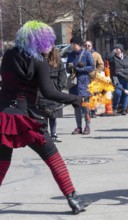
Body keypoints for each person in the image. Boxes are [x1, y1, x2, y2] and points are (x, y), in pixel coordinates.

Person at [0, 20, 88, 214]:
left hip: (3, 116)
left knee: (1, 162)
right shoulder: (40, 63)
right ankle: (73, 199)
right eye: (47, 42)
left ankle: (73, 198)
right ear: (38, 42)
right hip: (25, 118)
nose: (50, 47)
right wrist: (75, 99)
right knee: (53, 158)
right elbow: (49, 92)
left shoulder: (7, 56)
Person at [37, 47, 67, 142]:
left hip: (54, 89)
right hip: (41, 90)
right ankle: (45, 133)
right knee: (43, 113)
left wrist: (58, 87)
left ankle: (53, 133)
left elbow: (63, 74)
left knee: (53, 113)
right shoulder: (38, 59)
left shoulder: (57, 60)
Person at [67, 36, 95, 134]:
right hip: (74, 84)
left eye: (74, 44)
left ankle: (87, 126)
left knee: (86, 106)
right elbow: (67, 68)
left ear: (79, 44)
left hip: (84, 83)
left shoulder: (86, 54)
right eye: (72, 45)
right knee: (76, 107)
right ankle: (78, 127)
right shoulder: (70, 55)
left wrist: (80, 69)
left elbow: (92, 67)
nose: (73, 46)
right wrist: (70, 68)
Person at [109, 43, 128, 115]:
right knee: (118, 93)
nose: (116, 49)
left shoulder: (127, 58)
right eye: (115, 48)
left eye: (117, 48)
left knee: (126, 94)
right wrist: (112, 52)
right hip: (117, 78)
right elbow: (107, 58)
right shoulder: (113, 58)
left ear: (121, 49)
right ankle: (115, 107)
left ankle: (124, 109)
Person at [84, 40, 104, 118]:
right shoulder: (81, 54)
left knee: (93, 95)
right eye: (85, 45)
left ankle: (93, 111)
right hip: (84, 78)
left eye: (89, 45)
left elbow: (101, 65)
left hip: (93, 78)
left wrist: (96, 72)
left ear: (92, 47)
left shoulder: (96, 55)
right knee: (85, 94)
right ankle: (85, 110)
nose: (87, 47)